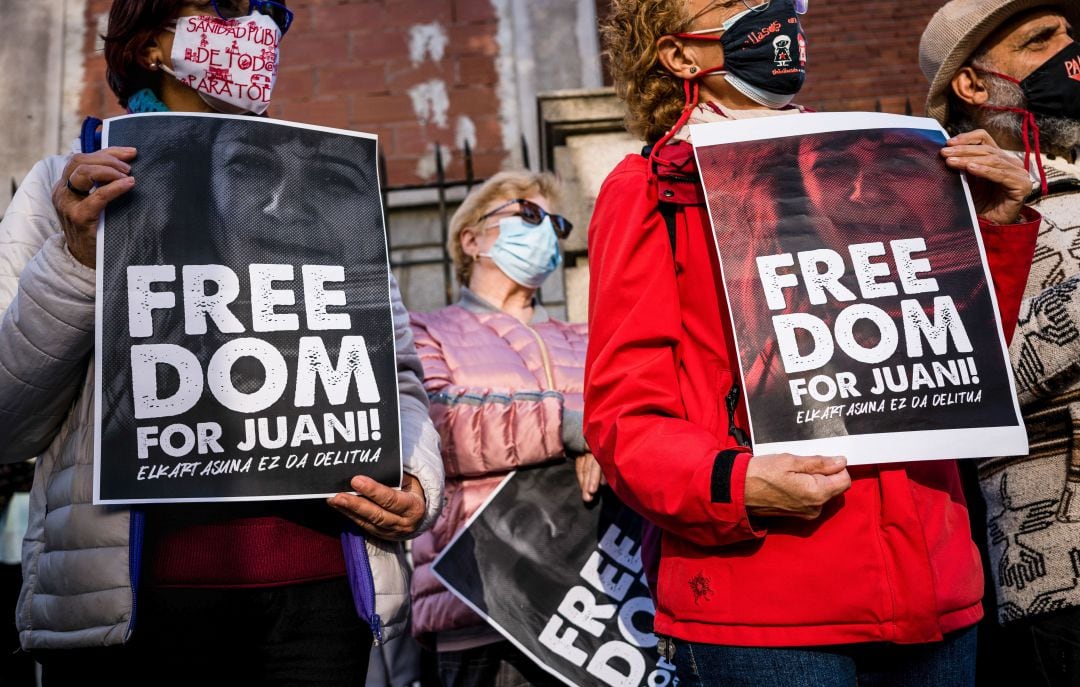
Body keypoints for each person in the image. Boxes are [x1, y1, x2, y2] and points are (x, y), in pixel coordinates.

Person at [584, 0, 1041, 685]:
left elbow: (953, 358)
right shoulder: (654, 188)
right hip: (766, 599)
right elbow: (624, 416)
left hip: (935, 585)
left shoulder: (881, 161)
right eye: (735, 3)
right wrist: (734, 484)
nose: (771, 16)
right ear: (680, 56)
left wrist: (998, 228)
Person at [0, 1, 443, 684]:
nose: (254, 29)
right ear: (151, 45)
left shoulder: (327, 186)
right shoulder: (62, 192)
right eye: (223, 9)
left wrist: (417, 479)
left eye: (265, 12)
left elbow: (398, 381)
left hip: (319, 603)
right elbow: (10, 421)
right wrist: (79, 262)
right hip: (137, 618)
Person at [920, 1, 1080, 684]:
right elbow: (964, 389)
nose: (1070, 53)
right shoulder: (941, 208)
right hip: (1057, 577)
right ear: (974, 84)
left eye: (1071, 34)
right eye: (1040, 41)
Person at [408, 171, 593, 686]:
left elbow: (632, 423)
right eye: (527, 215)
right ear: (472, 239)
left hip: (591, 611)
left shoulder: (588, 338)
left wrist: (606, 436)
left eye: (555, 223)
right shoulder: (427, 331)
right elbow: (439, 431)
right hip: (481, 604)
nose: (546, 234)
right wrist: (571, 428)